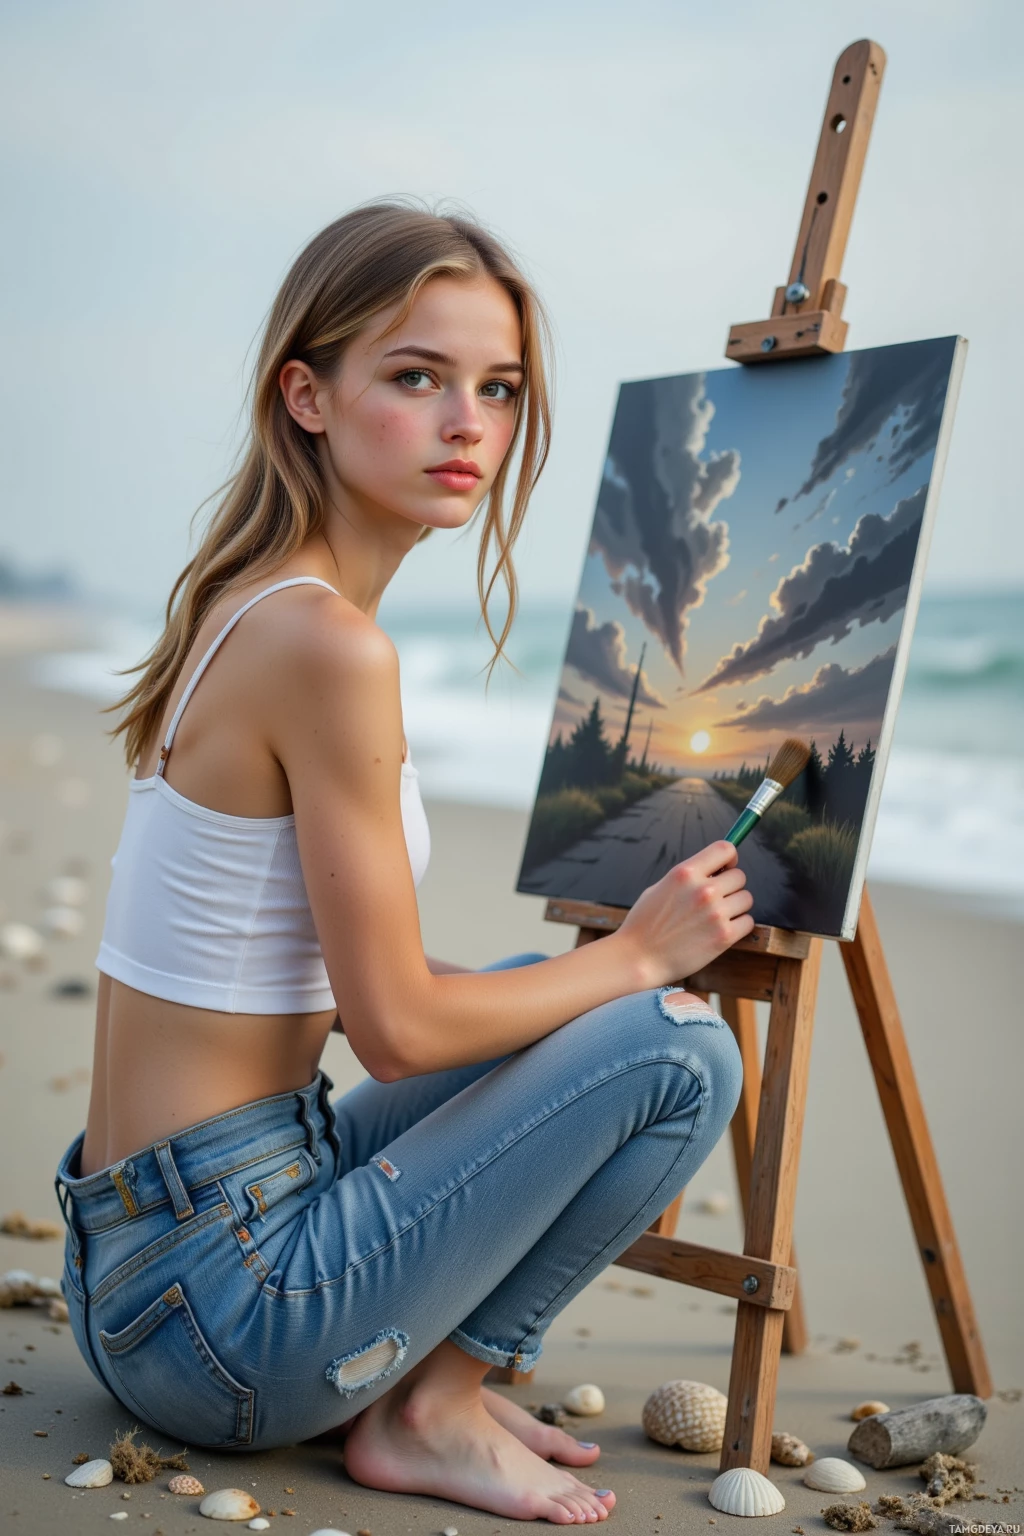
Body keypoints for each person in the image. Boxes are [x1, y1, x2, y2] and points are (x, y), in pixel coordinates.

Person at [54, 201, 754, 1526]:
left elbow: (342, 986)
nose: (468, 425)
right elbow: (396, 1032)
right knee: (678, 1047)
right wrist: (637, 956)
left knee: (553, 1006)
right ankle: (430, 1404)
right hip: (226, 1317)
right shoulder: (328, 647)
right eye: (419, 377)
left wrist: (587, 986)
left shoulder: (249, 606)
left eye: (499, 388)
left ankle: (420, 1387)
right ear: (307, 396)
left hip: (147, 1266)